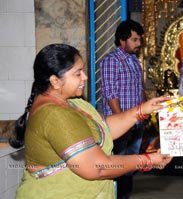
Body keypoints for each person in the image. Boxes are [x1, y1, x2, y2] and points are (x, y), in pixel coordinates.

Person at [9, 43, 172, 199]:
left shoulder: (71, 102)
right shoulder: (53, 114)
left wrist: (142, 110)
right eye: (78, 73)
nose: (85, 77)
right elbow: (98, 167)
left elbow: (103, 129)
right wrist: (148, 160)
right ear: (55, 81)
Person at [99, 19, 146, 199]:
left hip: (136, 124)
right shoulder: (112, 61)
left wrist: (144, 113)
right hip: (120, 125)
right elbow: (110, 94)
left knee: (130, 164)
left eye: (139, 40)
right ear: (122, 40)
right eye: (134, 40)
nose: (138, 44)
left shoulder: (134, 61)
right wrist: (122, 122)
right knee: (117, 166)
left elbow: (139, 89)